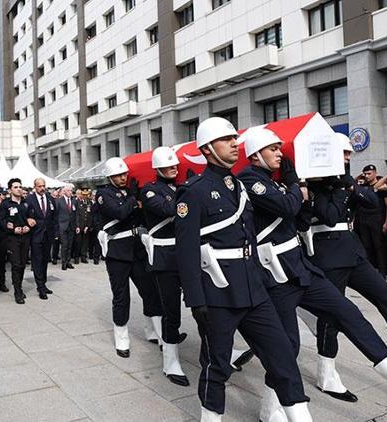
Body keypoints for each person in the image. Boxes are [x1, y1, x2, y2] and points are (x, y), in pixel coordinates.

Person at [238, 128, 387, 417]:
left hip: (301, 267)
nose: (280, 154)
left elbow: (300, 217)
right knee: (287, 347)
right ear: (256, 154)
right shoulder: (250, 181)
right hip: (277, 275)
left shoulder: (277, 182)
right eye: (273, 149)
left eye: (280, 149)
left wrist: (306, 191)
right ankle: (271, 410)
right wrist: (298, 184)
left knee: (350, 314)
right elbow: (288, 206)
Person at [175, 117, 312, 421]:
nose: (235, 145)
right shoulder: (193, 191)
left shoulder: (238, 185)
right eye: (227, 140)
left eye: (235, 139)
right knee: (218, 364)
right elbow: (184, 252)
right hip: (218, 292)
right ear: (208, 149)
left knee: (283, 357)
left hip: (253, 288)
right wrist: (196, 300)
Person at [94, 158, 164, 358]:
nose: (123, 177)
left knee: (150, 292)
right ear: (110, 176)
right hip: (118, 253)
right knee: (121, 297)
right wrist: (134, 198)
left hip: (137, 250)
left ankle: (156, 332)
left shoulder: (131, 192)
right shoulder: (103, 194)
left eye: (124, 174)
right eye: (118, 175)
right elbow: (120, 212)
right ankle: (122, 337)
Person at [140, 146, 190, 387]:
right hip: (164, 257)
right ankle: (170, 362)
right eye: (169, 165)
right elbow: (169, 210)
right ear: (157, 168)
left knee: (205, 306)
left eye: (175, 165)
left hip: (185, 253)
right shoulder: (150, 191)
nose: (174, 168)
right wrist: (190, 194)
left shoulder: (180, 187)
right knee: (171, 311)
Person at [0, 178, 32, 304]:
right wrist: (11, 228)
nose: (19, 189)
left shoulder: (26, 203)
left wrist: (29, 225)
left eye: (20, 187)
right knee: (16, 265)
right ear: (10, 189)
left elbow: (30, 218)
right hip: (12, 239)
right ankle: (17, 291)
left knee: (22, 264)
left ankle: (20, 287)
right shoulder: (5, 204)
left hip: (25, 237)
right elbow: (1, 221)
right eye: (16, 187)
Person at [26, 178, 57, 299]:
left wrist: (55, 232)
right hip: (36, 235)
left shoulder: (50, 199)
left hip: (48, 235)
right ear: (35, 187)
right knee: (37, 261)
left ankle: (43, 283)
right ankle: (40, 286)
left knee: (45, 260)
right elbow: (24, 214)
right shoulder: (29, 200)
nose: (42, 188)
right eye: (39, 186)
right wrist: (28, 219)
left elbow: (54, 217)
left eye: (44, 186)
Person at [358, 164, 387, 277]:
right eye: (365, 174)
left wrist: (386, 222)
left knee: (379, 246)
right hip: (364, 218)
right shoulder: (363, 187)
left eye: (369, 173)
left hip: (377, 218)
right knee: (367, 245)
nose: (367, 176)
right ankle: (370, 271)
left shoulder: (383, 187)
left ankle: (382, 272)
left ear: (375, 173)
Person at [55, 185, 76, 271]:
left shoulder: (74, 201)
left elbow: (75, 214)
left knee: (70, 245)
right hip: (62, 226)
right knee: (64, 245)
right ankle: (63, 263)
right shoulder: (59, 201)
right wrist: (57, 228)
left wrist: (76, 226)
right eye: (69, 191)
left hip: (71, 226)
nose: (70, 192)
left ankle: (68, 261)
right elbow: (56, 215)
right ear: (64, 191)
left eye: (71, 191)